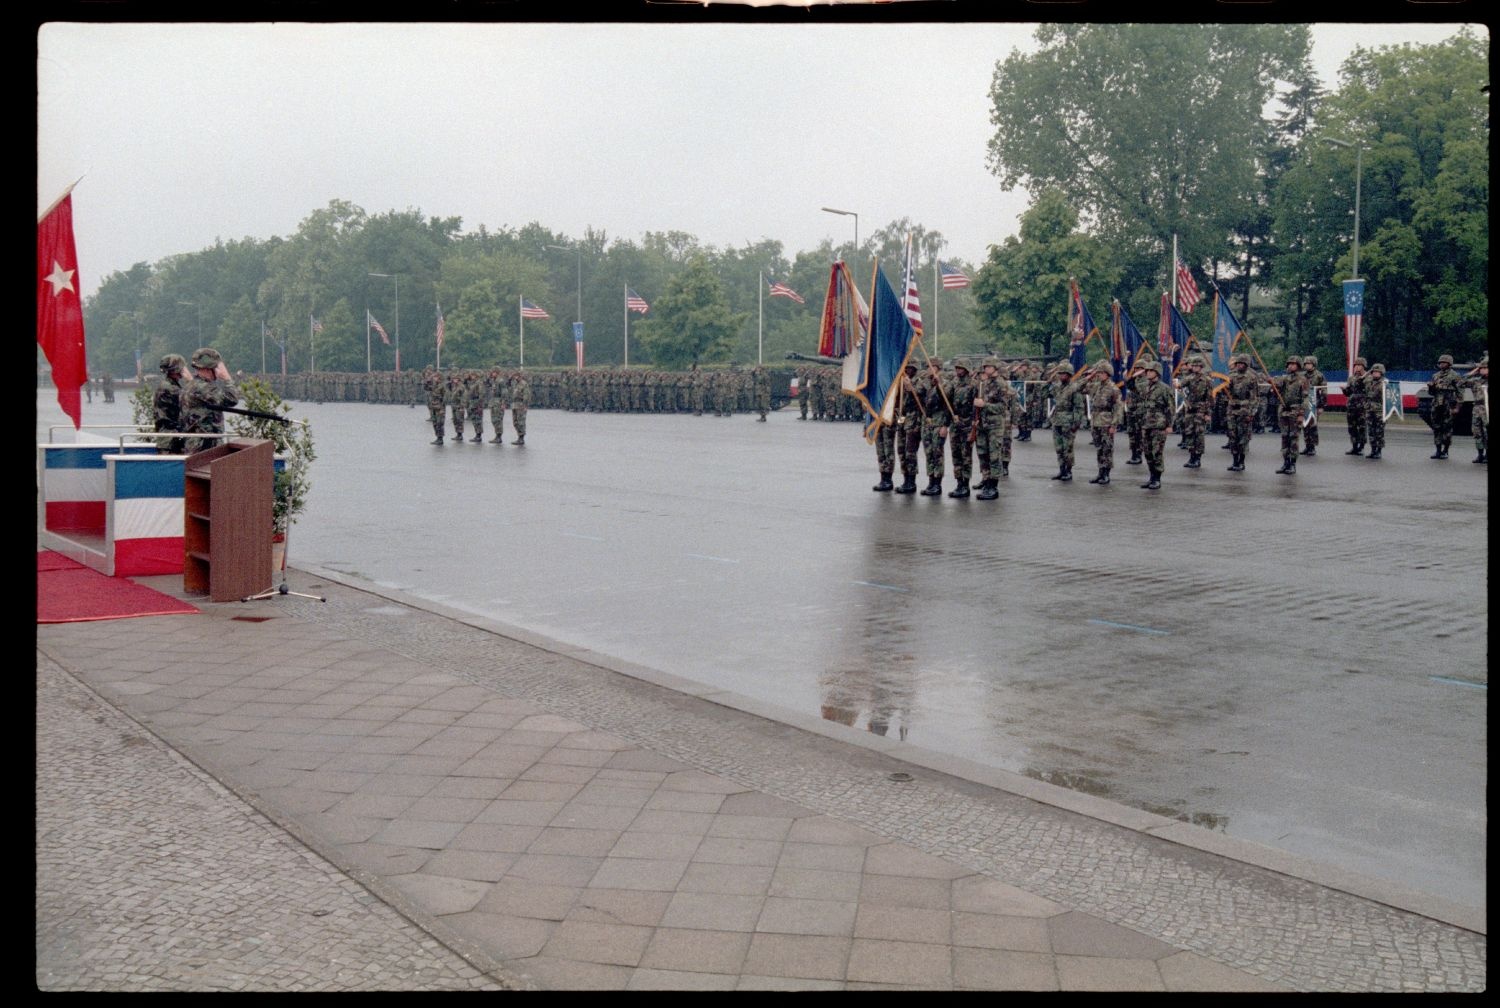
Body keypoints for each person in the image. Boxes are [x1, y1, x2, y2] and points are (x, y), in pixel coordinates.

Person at [180, 347, 241, 454]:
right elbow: (232, 399)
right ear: (209, 368)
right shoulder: (203, 387)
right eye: (217, 367)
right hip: (206, 445)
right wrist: (227, 378)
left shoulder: (191, 385)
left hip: (195, 443)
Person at [1133, 358, 1174, 489]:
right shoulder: (1145, 386)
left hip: (1159, 424)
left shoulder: (1164, 389)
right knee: (1147, 452)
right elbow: (1130, 386)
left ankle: (1157, 478)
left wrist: (1169, 425)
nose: (1148, 373)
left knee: (1157, 452)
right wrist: (1137, 374)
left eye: (1151, 371)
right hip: (1146, 424)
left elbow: (1170, 408)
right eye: (1147, 371)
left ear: (1157, 372)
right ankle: (1151, 477)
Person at [971, 358, 1009, 499]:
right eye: (985, 367)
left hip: (995, 425)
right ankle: (986, 481)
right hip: (983, 424)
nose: (986, 369)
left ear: (995, 368)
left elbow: (1002, 407)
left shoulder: (1000, 384)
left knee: (994, 456)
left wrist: (984, 405)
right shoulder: (985, 383)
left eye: (989, 367)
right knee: (983, 455)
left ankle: (993, 487)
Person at [944, 360, 978, 498]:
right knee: (956, 455)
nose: (958, 371)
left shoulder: (973, 384)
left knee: (966, 456)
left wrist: (974, 425)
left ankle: (965, 484)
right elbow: (946, 398)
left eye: (961, 368)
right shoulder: (953, 383)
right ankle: (959, 483)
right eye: (957, 368)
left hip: (967, 423)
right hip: (955, 422)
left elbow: (976, 406)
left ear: (967, 369)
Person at [1047, 361, 1085, 482]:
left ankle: (1068, 471)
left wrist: (1076, 423)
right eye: (1060, 374)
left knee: (1067, 448)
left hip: (1068, 421)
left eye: (1063, 374)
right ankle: (1061, 470)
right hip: (1057, 420)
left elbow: (1079, 407)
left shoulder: (1074, 388)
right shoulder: (1057, 387)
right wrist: (1049, 380)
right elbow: (1045, 393)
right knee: (1058, 448)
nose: (1061, 376)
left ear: (1069, 375)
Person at [1085, 360, 1122, 485]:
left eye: (1101, 372)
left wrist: (1114, 424)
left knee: (1107, 449)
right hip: (1095, 421)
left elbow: (1118, 408)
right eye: (1098, 372)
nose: (1098, 374)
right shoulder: (1096, 386)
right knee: (1099, 448)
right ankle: (1100, 473)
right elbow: (1080, 388)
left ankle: (1106, 474)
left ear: (1107, 374)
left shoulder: (1113, 388)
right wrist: (1089, 377)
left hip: (1106, 421)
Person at [1177, 355, 1214, 468]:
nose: (1194, 367)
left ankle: (1198, 458)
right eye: (1193, 365)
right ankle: (1191, 456)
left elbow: (1209, 398)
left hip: (1200, 410)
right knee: (1189, 433)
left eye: (1196, 366)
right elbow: (1181, 384)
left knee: (1198, 434)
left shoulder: (1206, 380)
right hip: (1190, 408)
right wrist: (1177, 384)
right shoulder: (1189, 377)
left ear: (1201, 366)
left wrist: (1207, 413)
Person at [1224, 354, 1258, 472]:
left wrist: (1251, 413)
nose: (1239, 365)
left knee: (1243, 437)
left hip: (1245, 410)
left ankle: (1241, 461)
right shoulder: (1231, 376)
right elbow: (1227, 390)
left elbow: (1254, 397)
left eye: (1242, 363)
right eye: (1238, 363)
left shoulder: (1251, 377)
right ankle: (1234, 461)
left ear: (1246, 365)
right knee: (1233, 436)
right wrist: (1224, 386)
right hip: (1232, 409)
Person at [893, 362, 923, 494]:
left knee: (910, 452)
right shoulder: (901, 381)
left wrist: (911, 388)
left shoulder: (919, 382)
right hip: (903, 418)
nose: (907, 371)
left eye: (910, 368)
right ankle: (905, 479)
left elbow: (922, 399)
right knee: (901, 450)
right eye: (905, 368)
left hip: (914, 420)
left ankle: (911, 482)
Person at [1427, 353, 1464, 459]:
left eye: (1444, 362)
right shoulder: (1436, 375)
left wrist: (1457, 407)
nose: (1442, 364)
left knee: (1447, 428)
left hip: (1448, 404)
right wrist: (1431, 387)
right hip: (1437, 404)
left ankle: (1445, 451)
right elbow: (1432, 393)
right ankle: (1438, 450)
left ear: (1449, 364)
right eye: (1440, 362)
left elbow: (1460, 392)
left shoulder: (1455, 376)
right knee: (1437, 427)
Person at [153, 353, 190, 454]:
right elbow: (191, 398)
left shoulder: (169, 384)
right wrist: (190, 380)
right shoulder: (169, 387)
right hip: (170, 440)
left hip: (169, 438)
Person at [1299, 355, 1327, 456]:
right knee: (1305, 425)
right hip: (1304, 402)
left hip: (1314, 401)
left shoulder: (1319, 375)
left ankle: (1313, 447)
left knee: (1312, 425)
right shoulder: (1302, 375)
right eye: (1305, 364)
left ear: (1314, 364)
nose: (1307, 366)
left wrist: (1321, 406)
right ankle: (1307, 446)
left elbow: (1324, 390)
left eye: (1309, 364)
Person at [1463, 355, 1487, 463]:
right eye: (1481, 368)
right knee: (1477, 432)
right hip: (1477, 408)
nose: (1483, 370)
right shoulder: (1476, 381)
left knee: (1487, 432)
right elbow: (1461, 381)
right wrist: (1474, 371)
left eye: (1485, 368)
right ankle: (1480, 454)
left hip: (1487, 409)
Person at [1344, 358, 1369, 455]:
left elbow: (1369, 390)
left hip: (1362, 406)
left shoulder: (1368, 377)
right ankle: (1354, 446)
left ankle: (1361, 447)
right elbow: (1348, 393)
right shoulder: (1351, 378)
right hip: (1351, 405)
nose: (1356, 367)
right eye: (1355, 365)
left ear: (1363, 366)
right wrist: (1344, 390)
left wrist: (1362, 380)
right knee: (1352, 427)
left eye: (1359, 365)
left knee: (1362, 427)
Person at [1364, 362, 1388, 460]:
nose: (1375, 373)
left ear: (1381, 373)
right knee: (1371, 431)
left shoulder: (1385, 383)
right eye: (1374, 372)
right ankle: (1373, 450)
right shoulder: (1369, 382)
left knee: (1379, 432)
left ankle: (1379, 451)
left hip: (1379, 411)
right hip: (1370, 409)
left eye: (1377, 372)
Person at [423, 365, 446, 444]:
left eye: (436, 377)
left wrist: (442, 405)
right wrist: (427, 381)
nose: (434, 378)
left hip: (440, 407)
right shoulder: (433, 385)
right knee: (435, 423)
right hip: (433, 406)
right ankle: (437, 437)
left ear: (440, 378)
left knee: (440, 423)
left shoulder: (442, 386)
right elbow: (426, 388)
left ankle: (440, 438)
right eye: (434, 377)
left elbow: (446, 396)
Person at [509, 368, 530, 445]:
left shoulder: (524, 384)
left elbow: (526, 395)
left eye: (516, 375)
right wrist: (510, 378)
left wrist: (525, 405)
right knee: (515, 422)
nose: (515, 377)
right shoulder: (515, 383)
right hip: (515, 404)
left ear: (520, 376)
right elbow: (508, 385)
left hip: (521, 404)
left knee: (521, 422)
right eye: (514, 376)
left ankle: (521, 438)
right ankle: (519, 435)